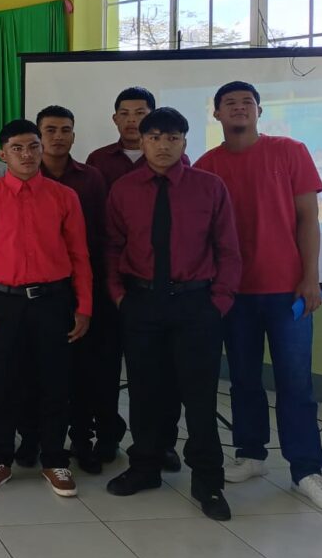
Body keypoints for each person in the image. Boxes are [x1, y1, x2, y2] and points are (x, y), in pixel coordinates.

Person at [195, 82, 322, 512]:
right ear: (217, 114)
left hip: (288, 291)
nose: (239, 109)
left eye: (246, 103)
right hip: (233, 294)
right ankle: (251, 454)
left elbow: (308, 218)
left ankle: (306, 470)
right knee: (242, 379)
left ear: (258, 111)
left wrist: (311, 277)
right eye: (229, 104)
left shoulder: (289, 151)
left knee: (296, 383)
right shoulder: (207, 165)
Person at [105, 107, 239, 521]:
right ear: (141, 142)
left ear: (185, 142)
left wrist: (218, 302)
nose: (164, 145)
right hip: (142, 303)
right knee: (145, 392)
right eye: (155, 137)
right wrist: (120, 298)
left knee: (198, 397)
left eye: (173, 138)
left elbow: (228, 249)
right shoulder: (124, 190)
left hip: (196, 304)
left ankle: (208, 482)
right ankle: (145, 467)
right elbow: (112, 248)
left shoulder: (210, 187)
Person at [0, 119, 91, 498]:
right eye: (17, 148)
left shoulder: (64, 196)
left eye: (33, 146)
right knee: (2, 384)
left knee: (55, 383)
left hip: (54, 301)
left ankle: (54, 459)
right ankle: (0, 457)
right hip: (4, 303)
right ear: (2, 154)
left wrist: (84, 307)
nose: (27, 154)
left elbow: (79, 255)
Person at [85, 86, 183, 473]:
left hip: (161, 286)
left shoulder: (173, 159)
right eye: (124, 113)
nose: (132, 119)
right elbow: (99, 229)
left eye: (140, 112)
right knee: (105, 369)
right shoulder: (98, 161)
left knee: (163, 372)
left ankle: (164, 442)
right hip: (114, 284)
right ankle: (108, 436)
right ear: (115, 119)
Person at [31, 105, 123, 474]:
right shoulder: (23, 178)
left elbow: (101, 236)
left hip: (85, 288)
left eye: (65, 129)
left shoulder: (92, 178)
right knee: (43, 370)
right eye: (50, 130)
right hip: (40, 291)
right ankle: (40, 438)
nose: (58, 136)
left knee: (87, 371)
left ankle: (84, 440)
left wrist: (94, 293)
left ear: (74, 134)